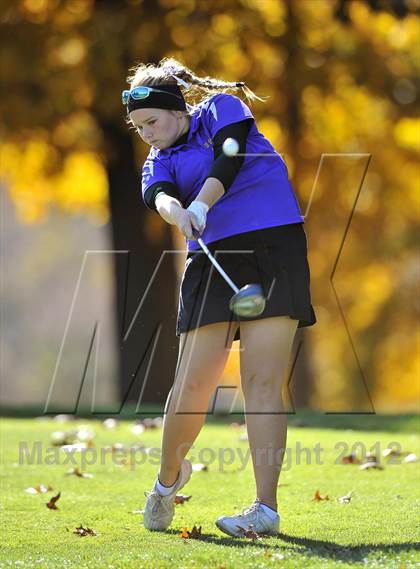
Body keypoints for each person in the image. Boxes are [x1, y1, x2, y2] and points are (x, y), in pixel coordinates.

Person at [122, 57, 316, 537]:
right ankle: (167, 484)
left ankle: (265, 510)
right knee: (193, 387)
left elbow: (230, 157)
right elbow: (159, 195)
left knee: (263, 383)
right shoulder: (158, 159)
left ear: (175, 108)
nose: (145, 133)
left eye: (151, 122)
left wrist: (202, 204)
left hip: (275, 246)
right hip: (212, 260)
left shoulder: (220, 110)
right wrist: (176, 212)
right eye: (137, 127)